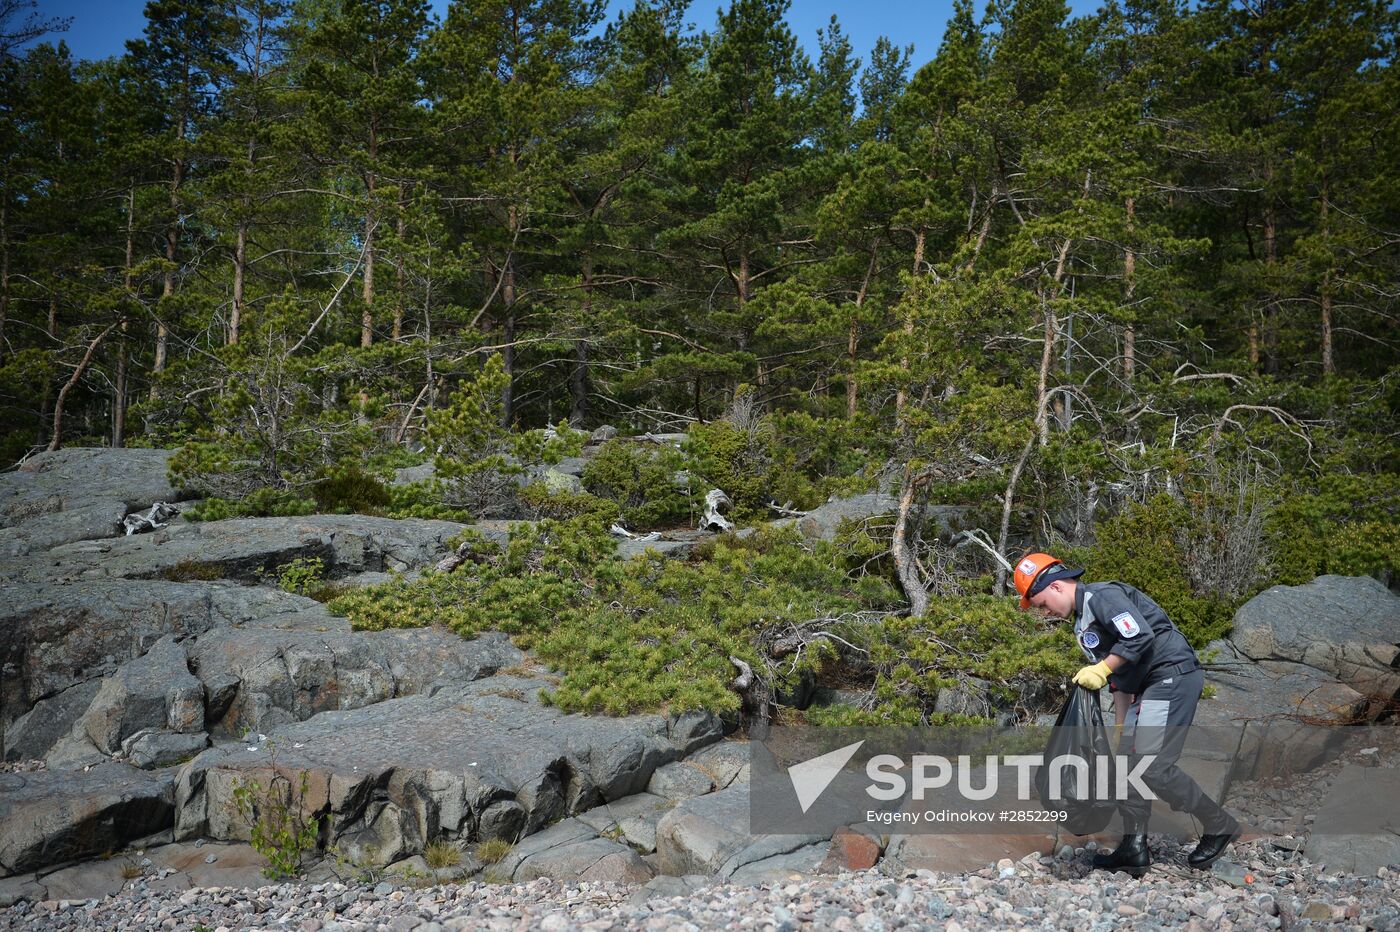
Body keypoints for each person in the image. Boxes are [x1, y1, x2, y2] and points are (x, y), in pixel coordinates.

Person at [1013, 552, 1240, 875]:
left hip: (1169, 676)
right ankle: (1134, 847)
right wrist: (1120, 728)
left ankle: (1218, 823)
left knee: (1152, 766)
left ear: (1056, 586)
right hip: (1145, 688)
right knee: (1126, 763)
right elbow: (1118, 678)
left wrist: (1101, 669)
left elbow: (1139, 635)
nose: (1045, 612)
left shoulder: (1102, 597)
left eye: (1042, 604)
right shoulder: (1082, 624)